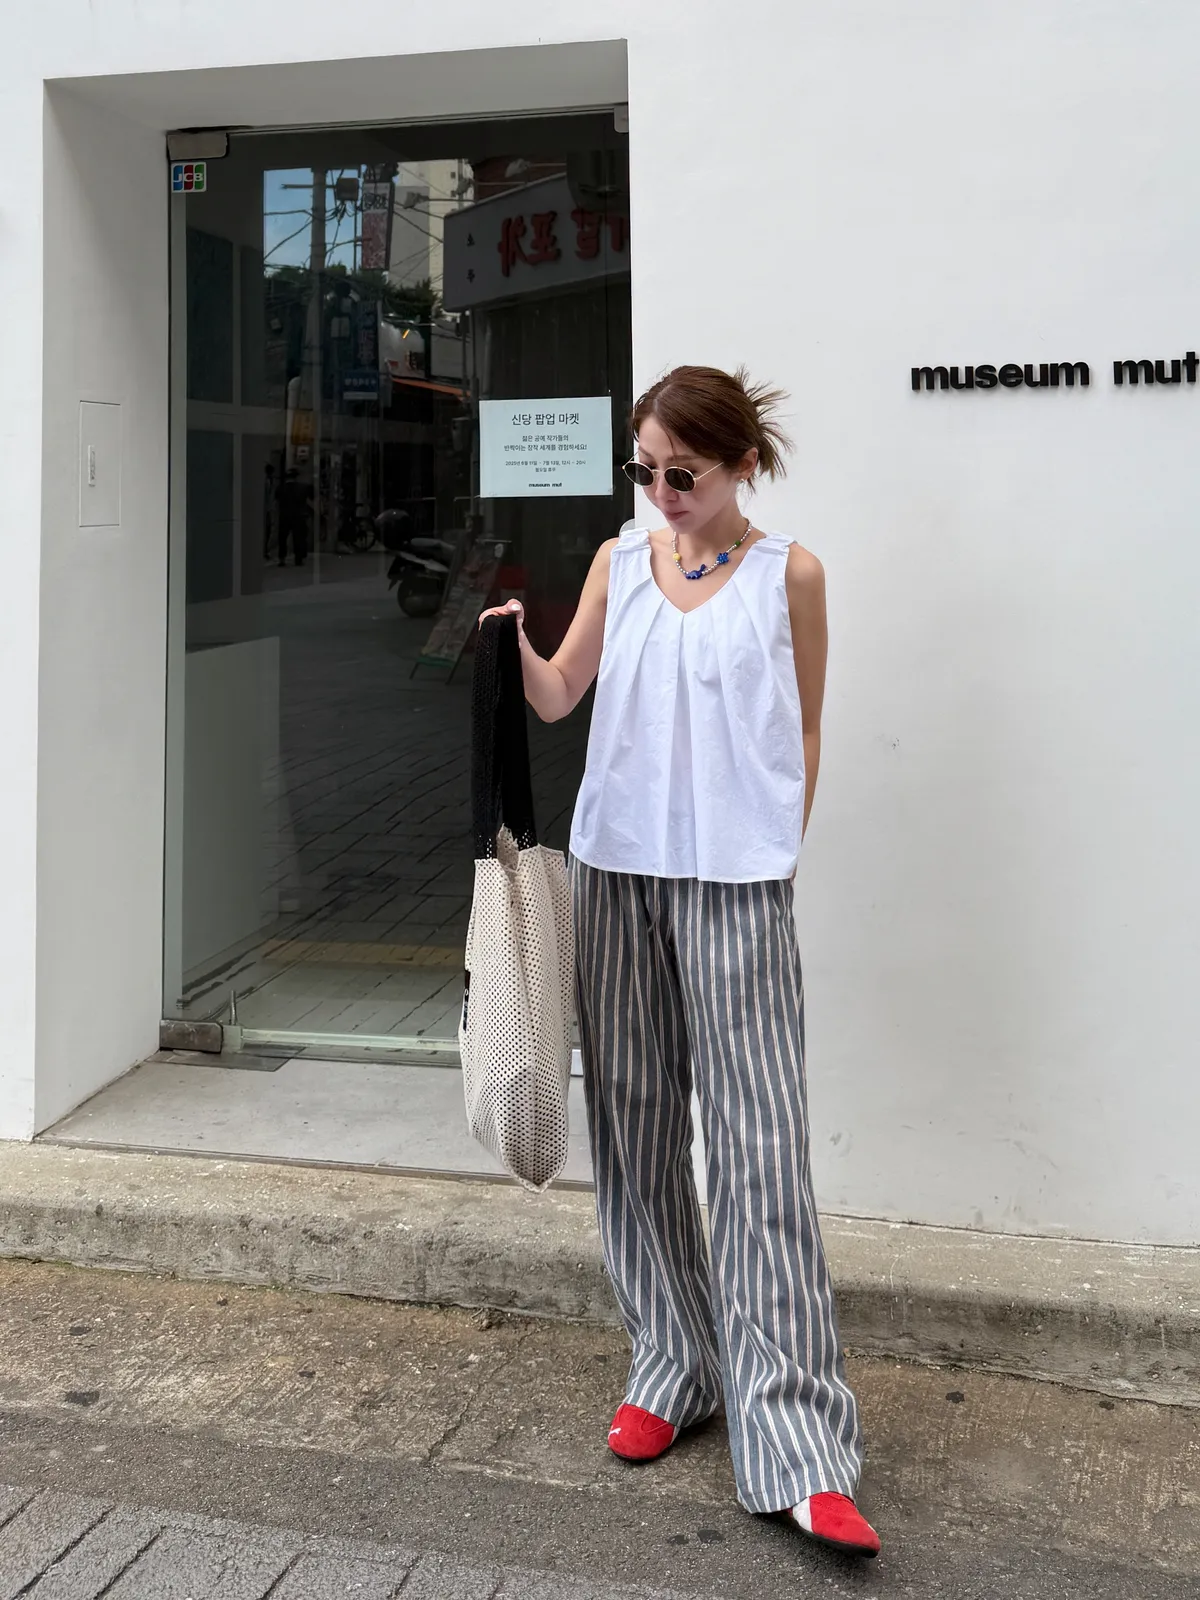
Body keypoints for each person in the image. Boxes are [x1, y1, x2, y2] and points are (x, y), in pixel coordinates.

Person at [478, 365, 879, 1559]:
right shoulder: (621, 561)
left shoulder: (790, 576)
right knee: (637, 1125)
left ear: (745, 464)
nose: (661, 491)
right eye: (644, 470)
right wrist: (512, 647)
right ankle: (674, 1360)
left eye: (683, 473)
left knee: (759, 1144)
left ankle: (797, 1440)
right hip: (616, 873)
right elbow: (562, 694)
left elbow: (805, 726)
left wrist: (777, 842)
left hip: (738, 885)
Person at [277, 468, 312, 567]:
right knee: (298, 538)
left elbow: (276, 502)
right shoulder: (303, 488)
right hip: (298, 516)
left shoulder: (280, 488)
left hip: (284, 515)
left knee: (282, 538)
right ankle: (298, 559)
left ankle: (282, 558)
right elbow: (309, 500)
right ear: (296, 477)